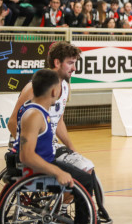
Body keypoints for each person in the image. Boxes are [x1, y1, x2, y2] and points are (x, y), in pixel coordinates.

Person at [8, 42, 111, 222]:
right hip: (34, 145)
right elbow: (11, 122)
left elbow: (59, 121)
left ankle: (61, 208)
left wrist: (71, 148)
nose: (74, 68)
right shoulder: (35, 88)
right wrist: (31, 145)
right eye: (70, 63)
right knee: (86, 172)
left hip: (49, 143)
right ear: (57, 63)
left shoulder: (64, 87)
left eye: (75, 63)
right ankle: (68, 212)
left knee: (85, 167)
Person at [13, 69, 93, 223]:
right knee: (86, 180)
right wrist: (57, 172)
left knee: (85, 174)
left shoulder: (35, 109)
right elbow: (26, 155)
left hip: (44, 163)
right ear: (54, 91)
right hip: (39, 169)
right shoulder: (34, 115)